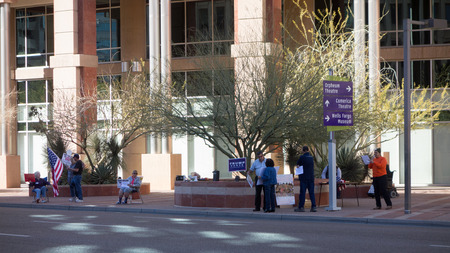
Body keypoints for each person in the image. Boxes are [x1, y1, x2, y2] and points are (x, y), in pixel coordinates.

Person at [295, 146, 317, 212]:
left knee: (302, 193)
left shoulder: (302, 157)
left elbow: (298, 164)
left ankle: (301, 207)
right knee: (311, 193)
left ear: (303, 151)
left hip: (304, 178)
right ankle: (313, 207)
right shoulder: (311, 158)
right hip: (311, 178)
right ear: (308, 150)